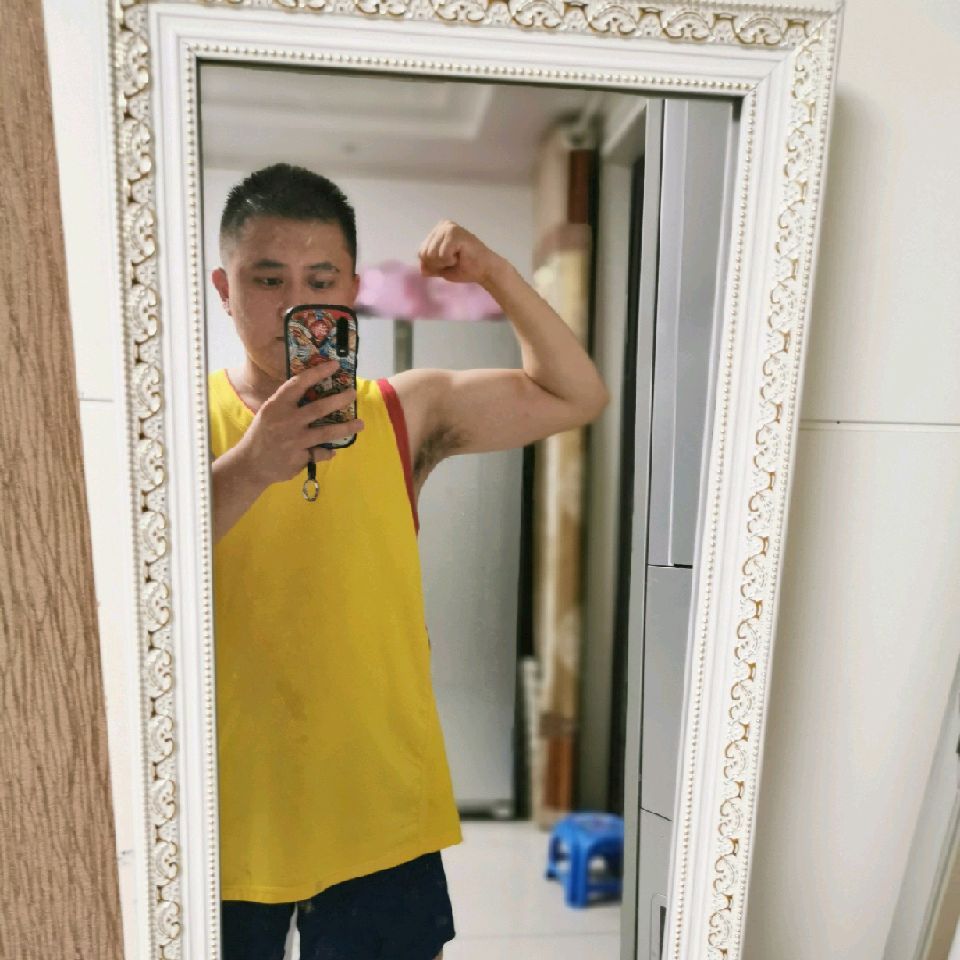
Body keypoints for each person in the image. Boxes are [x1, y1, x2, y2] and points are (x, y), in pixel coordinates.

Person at [208, 163, 608, 960]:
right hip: (226, 811)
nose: (293, 305)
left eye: (320, 281)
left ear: (354, 291)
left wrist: (495, 274)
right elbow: (125, 571)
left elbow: (576, 395)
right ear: (225, 288)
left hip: (380, 803)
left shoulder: (402, 412)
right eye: (267, 279)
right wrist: (253, 464)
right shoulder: (177, 421)